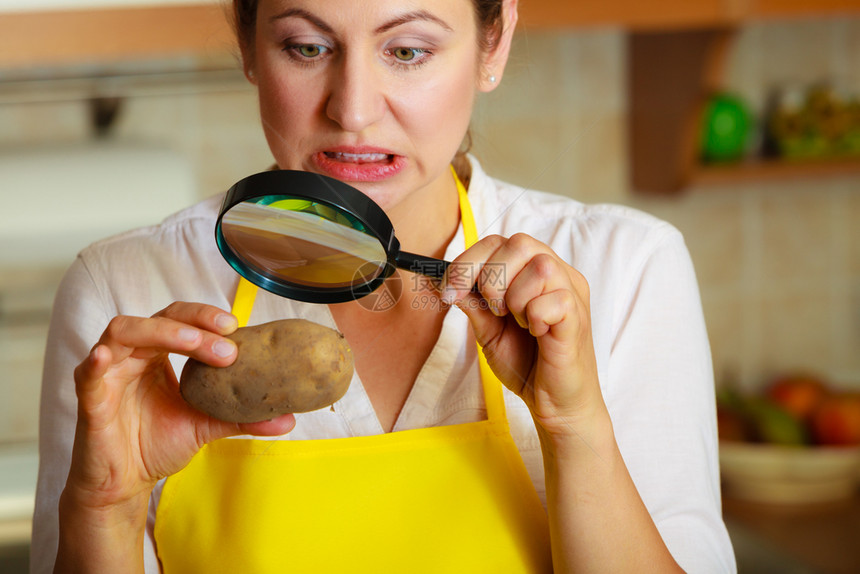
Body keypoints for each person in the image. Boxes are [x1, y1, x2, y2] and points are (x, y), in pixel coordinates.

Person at [32, 0, 736, 572]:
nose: (355, 109)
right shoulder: (125, 290)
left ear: (493, 45)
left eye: (407, 50)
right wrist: (106, 508)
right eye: (307, 46)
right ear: (248, 45)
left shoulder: (626, 268)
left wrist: (575, 425)